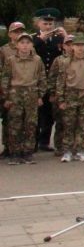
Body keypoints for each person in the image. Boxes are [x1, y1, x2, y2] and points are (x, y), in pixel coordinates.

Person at [51, 35, 84, 162]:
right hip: (70, 95)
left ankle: (80, 150)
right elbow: (60, 82)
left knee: (82, 125)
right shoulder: (66, 62)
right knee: (69, 124)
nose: (80, 48)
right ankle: (67, 150)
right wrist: (60, 99)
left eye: (82, 45)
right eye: (77, 45)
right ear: (72, 47)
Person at [2, 32, 46, 164]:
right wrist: (7, 97)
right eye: (22, 43)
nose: (25, 46)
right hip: (15, 93)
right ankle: (15, 153)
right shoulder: (11, 60)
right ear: (17, 45)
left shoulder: (37, 60)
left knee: (30, 124)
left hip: (32, 93)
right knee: (15, 124)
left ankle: (27, 152)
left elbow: (42, 78)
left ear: (32, 45)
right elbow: (5, 78)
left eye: (28, 43)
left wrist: (40, 95)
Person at [32, 8, 64, 152]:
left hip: (53, 82)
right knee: (36, 114)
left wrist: (65, 36)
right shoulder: (33, 39)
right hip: (37, 81)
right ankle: (33, 142)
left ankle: (44, 141)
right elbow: (29, 52)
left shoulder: (58, 39)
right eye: (45, 23)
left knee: (50, 114)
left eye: (51, 24)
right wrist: (40, 40)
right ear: (38, 24)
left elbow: (67, 52)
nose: (48, 26)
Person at [0, 21, 31, 159]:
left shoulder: (29, 48)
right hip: (9, 89)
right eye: (16, 32)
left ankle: (23, 148)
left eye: (21, 31)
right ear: (10, 34)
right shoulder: (4, 50)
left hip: (25, 89)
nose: (18, 34)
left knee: (25, 120)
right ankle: (8, 147)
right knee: (8, 120)